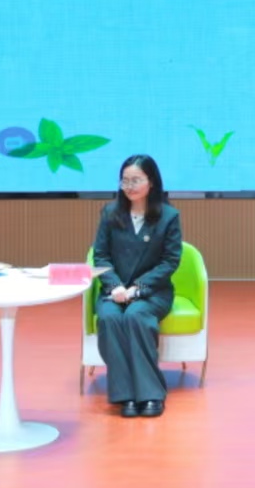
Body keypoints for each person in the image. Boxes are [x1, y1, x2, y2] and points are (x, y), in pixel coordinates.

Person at [92, 154, 184, 418]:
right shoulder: (110, 213)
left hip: (152, 292)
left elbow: (169, 261)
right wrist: (114, 287)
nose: (129, 186)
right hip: (115, 290)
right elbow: (101, 256)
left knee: (136, 315)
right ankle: (126, 395)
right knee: (109, 318)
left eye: (136, 180)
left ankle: (151, 393)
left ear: (151, 182)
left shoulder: (168, 216)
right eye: (125, 181)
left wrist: (137, 289)